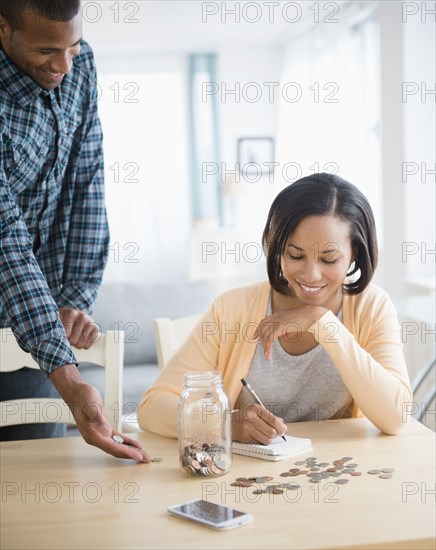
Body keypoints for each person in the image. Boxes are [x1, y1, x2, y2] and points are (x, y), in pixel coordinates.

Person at [138, 173, 413, 443]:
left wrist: (324, 323)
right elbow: (152, 407)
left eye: (329, 259)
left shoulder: (372, 307)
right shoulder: (232, 308)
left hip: (338, 471)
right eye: (295, 255)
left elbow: (397, 416)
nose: (311, 275)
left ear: (355, 253)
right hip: (249, 478)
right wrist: (225, 424)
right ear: (276, 247)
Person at [0, 0, 150, 461]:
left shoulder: (78, 68)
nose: (64, 64)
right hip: (25, 300)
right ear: (3, 28)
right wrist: (68, 372)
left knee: (35, 473)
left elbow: (86, 185)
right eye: (47, 49)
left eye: (74, 44)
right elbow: (5, 238)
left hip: (36, 323)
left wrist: (73, 300)